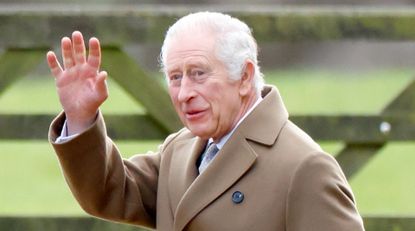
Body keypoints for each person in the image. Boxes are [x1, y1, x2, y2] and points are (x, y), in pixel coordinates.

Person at [47, 12, 365, 231]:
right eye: (175, 77)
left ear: (244, 77)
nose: (184, 93)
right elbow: (108, 191)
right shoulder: (181, 150)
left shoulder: (304, 168)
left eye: (198, 73)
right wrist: (81, 117)